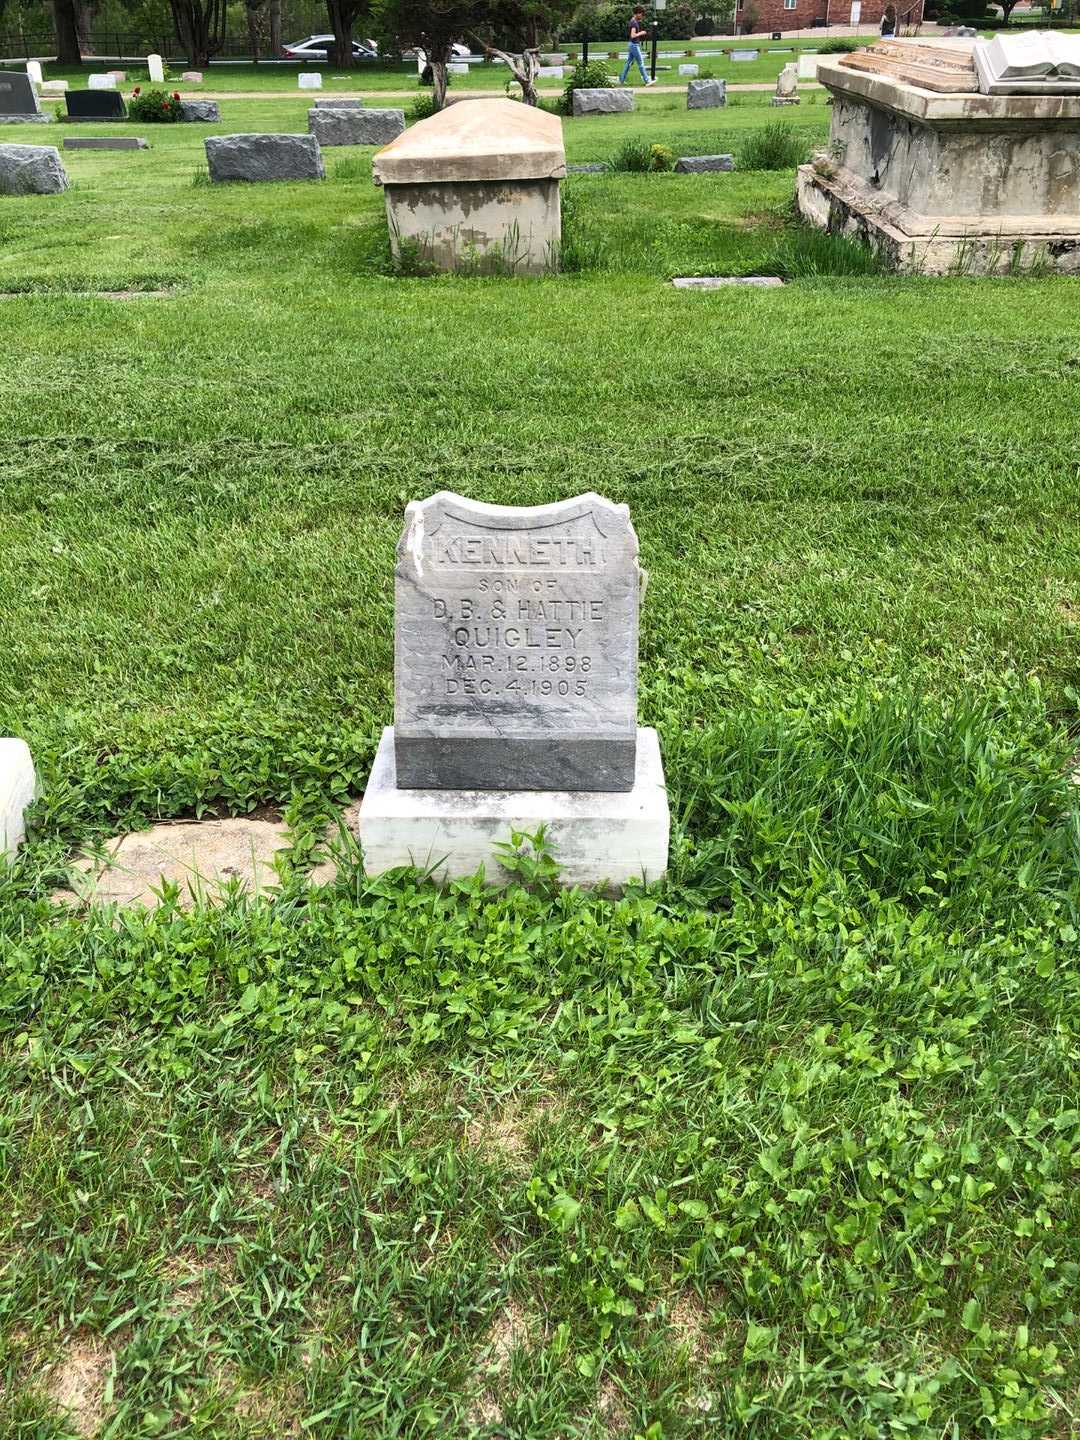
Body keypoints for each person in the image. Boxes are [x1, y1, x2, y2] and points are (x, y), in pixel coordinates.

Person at [621, 7, 656, 87]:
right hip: (634, 45)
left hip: (631, 44)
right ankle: (647, 80)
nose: (642, 16)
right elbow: (633, 35)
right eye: (641, 14)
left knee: (628, 63)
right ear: (638, 13)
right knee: (641, 63)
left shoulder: (632, 21)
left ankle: (622, 79)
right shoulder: (634, 23)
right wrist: (642, 33)